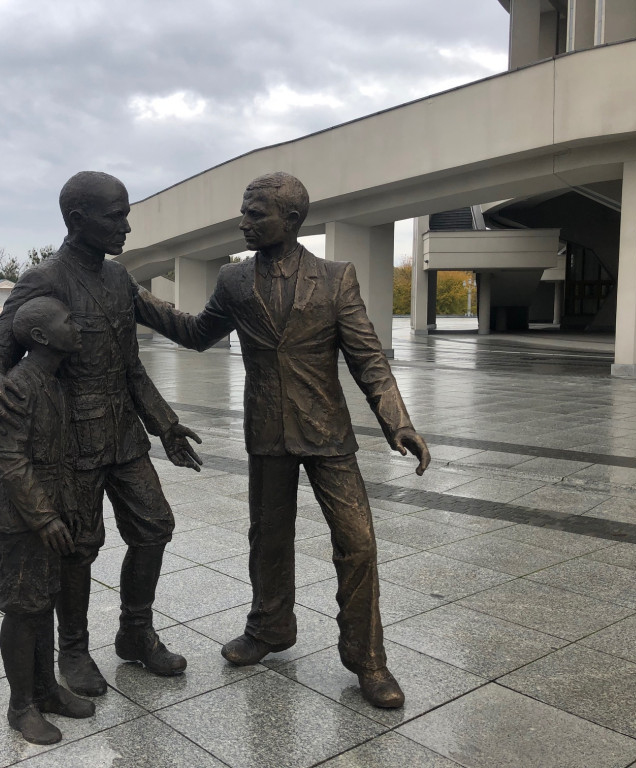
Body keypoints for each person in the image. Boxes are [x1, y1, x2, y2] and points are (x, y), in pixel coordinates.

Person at [134, 172, 431, 708]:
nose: (243, 223)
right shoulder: (234, 281)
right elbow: (197, 333)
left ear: (291, 220)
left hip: (328, 433)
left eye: (255, 214)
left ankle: (367, 659)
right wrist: (135, 297)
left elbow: (367, 356)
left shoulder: (336, 278)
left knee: (358, 544)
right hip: (267, 431)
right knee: (268, 539)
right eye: (244, 212)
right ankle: (270, 628)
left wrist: (398, 420)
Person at [0, 171, 203, 697]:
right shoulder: (45, 279)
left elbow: (133, 366)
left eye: (126, 214)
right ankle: (73, 650)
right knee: (78, 548)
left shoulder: (119, 278)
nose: (126, 226)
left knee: (155, 527)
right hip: (71, 440)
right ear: (78, 220)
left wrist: (165, 425)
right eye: (116, 216)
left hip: (124, 435)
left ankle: (135, 632)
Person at [0, 296, 95, 745]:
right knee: (22, 609)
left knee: (43, 601)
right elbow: (10, 461)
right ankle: (20, 705)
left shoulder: (54, 382)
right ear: (42, 336)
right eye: (69, 321)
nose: (77, 326)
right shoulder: (18, 386)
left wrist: (66, 510)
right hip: (18, 517)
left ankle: (46, 690)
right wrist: (45, 519)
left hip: (47, 510)